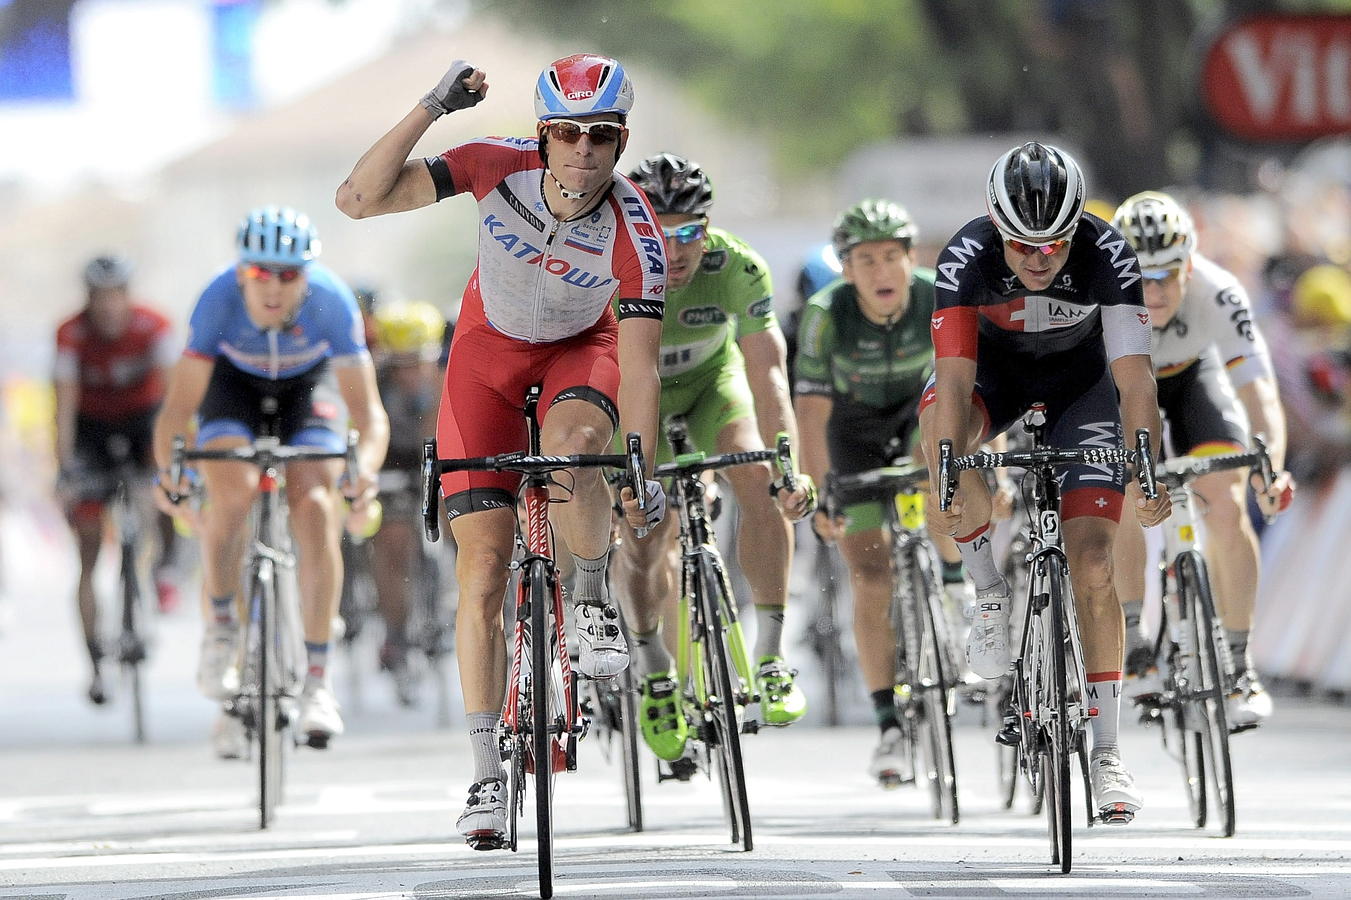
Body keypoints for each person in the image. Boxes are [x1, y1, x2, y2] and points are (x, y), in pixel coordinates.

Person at [335, 53, 667, 850]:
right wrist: (429, 107)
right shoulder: (495, 164)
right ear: (542, 135)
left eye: (601, 135)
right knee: (480, 566)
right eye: (567, 134)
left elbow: (644, 366)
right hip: (484, 355)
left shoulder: (636, 228)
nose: (583, 151)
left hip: (580, 351)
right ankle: (485, 771)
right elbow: (356, 200)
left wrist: (638, 475)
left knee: (578, 451)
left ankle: (588, 598)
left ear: (620, 141)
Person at [920, 142, 1170, 823]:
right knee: (941, 444)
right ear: (995, 228)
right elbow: (951, 383)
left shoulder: (1107, 252)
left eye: (1055, 243)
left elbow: (1133, 376)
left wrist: (1144, 464)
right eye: (1022, 245)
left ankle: (1108, 752)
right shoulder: (965, 257)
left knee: (1093, 561)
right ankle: (990, 594)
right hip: (991, 380)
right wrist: (950, 471)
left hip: (1080, 389)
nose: (1039, 258)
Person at [153, 206, 389, 756]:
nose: (276, 286)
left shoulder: (332, 302)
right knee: (229, 492)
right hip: (232, 389)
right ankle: (220, 630)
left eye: (289, 274)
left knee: (313, 501)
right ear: (242, 273)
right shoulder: (217, 299)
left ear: (306, 274)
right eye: (262, 273)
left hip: (308, 391)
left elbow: (370, 416)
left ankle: (316, 679)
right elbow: (175, 413)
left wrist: (366, 473)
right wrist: (172, 473)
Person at [609, 152, 815, 763]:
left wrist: (788, 467)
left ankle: (773, 656)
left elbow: (768, 372)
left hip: (709, 389)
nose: (673, 250)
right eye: (656, 229)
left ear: (708, 228)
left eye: (689, 232)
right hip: (632, 399)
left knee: (757, 476)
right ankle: (654, 670)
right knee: (647, 537)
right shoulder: (608, 266)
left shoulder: (737, 265)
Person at [794, 199, 972, 786]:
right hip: (853, 428)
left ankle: (955, 588)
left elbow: (969, 385)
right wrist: (823, 495)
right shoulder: (827, 314)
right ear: (846, 269)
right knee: (869, 574)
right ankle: (889, 725)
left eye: (891, 257)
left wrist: (981, 463)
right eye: (865, 260)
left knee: (941, 469)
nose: (881, 272)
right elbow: (811, 412)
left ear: (911, 258)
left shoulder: (935, 295)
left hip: (920, 409)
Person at [1110, 191, 1294, 728]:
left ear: (1190, 264)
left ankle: (1239, 663)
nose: (1155, 290)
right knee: (1118, 493)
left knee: (1228, 502)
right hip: (1124, 386)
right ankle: (1134, 637)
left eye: (1168, 275)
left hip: (1194, 379)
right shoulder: (1101, 303)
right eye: (1142, 278)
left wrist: (1271, 469)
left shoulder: (1220, 292)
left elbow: (1260, 396)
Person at [54, 254, 180, 705]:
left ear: (128, 297)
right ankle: (94, 663)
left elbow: (173, 393)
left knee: (161, 489)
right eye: (99, 299)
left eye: (115, 298)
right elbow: (64, 404)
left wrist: (172, 456)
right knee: (87, 553)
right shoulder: (70, 334)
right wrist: (65, 467)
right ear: (88, 300)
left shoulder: (154, 326)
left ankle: (164, 563)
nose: (107, 308)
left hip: (144, 421)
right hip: (92, 429)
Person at [367, 298, 449, 703]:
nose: (409, 372)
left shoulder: (447, 375)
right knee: (393, 538)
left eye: (418, 361)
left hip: (436, 457)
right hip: (390, 462)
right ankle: (395, 634)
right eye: (399, 364)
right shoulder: (373, 381)